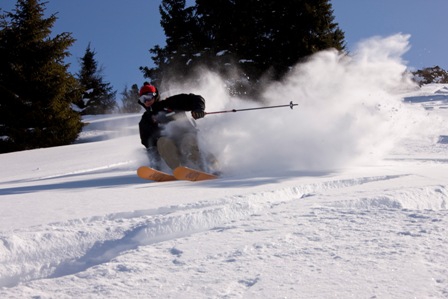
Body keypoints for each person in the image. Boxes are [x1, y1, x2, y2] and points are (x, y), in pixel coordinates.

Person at [137, 82, 214, 172]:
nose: (147, 101)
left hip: (188, 138)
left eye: (149, 96)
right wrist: (155, 167)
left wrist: (198, 109)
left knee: (187, 142)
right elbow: (149, 145)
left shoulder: (171, 103)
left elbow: (196, 99)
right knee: (162, 142)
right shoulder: (145, 120)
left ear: (155, 95)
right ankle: (179, 171)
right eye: (143, 99)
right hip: (172, 151)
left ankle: (205, 168)